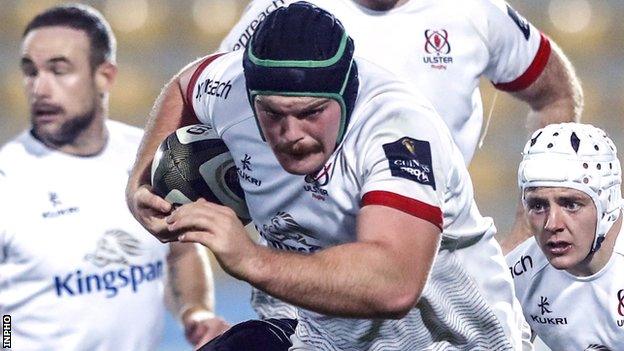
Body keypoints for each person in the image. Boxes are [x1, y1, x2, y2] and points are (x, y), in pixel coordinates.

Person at [127, 2, 530, 349]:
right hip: (328, 337)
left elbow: (396, 284)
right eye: (272, 114)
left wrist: (250, 259)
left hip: (451, 341)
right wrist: (138, 184)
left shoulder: (396, 128)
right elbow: (186, 84)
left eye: (310, 113)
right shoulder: (233, 89)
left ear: (346, 94)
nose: (291, 135)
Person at [218, 0, 583, 314]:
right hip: (302, 275)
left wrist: (525, 231)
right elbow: (210, 99)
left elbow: (555, 95)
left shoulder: (475, 11)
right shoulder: (284, 15)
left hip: (435, 269)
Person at [0, 4, 228, 350]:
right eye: (31, 72)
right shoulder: (8, 180)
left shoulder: (149, 160)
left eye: (59, 71)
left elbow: (181, 252)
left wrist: (193, 312)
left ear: (104, 76)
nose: (39, 88)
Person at [505, 122, 623, 350]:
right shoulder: (515, 277)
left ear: (607, 204)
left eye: (570, 204)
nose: (552, 224)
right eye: (538, 206)